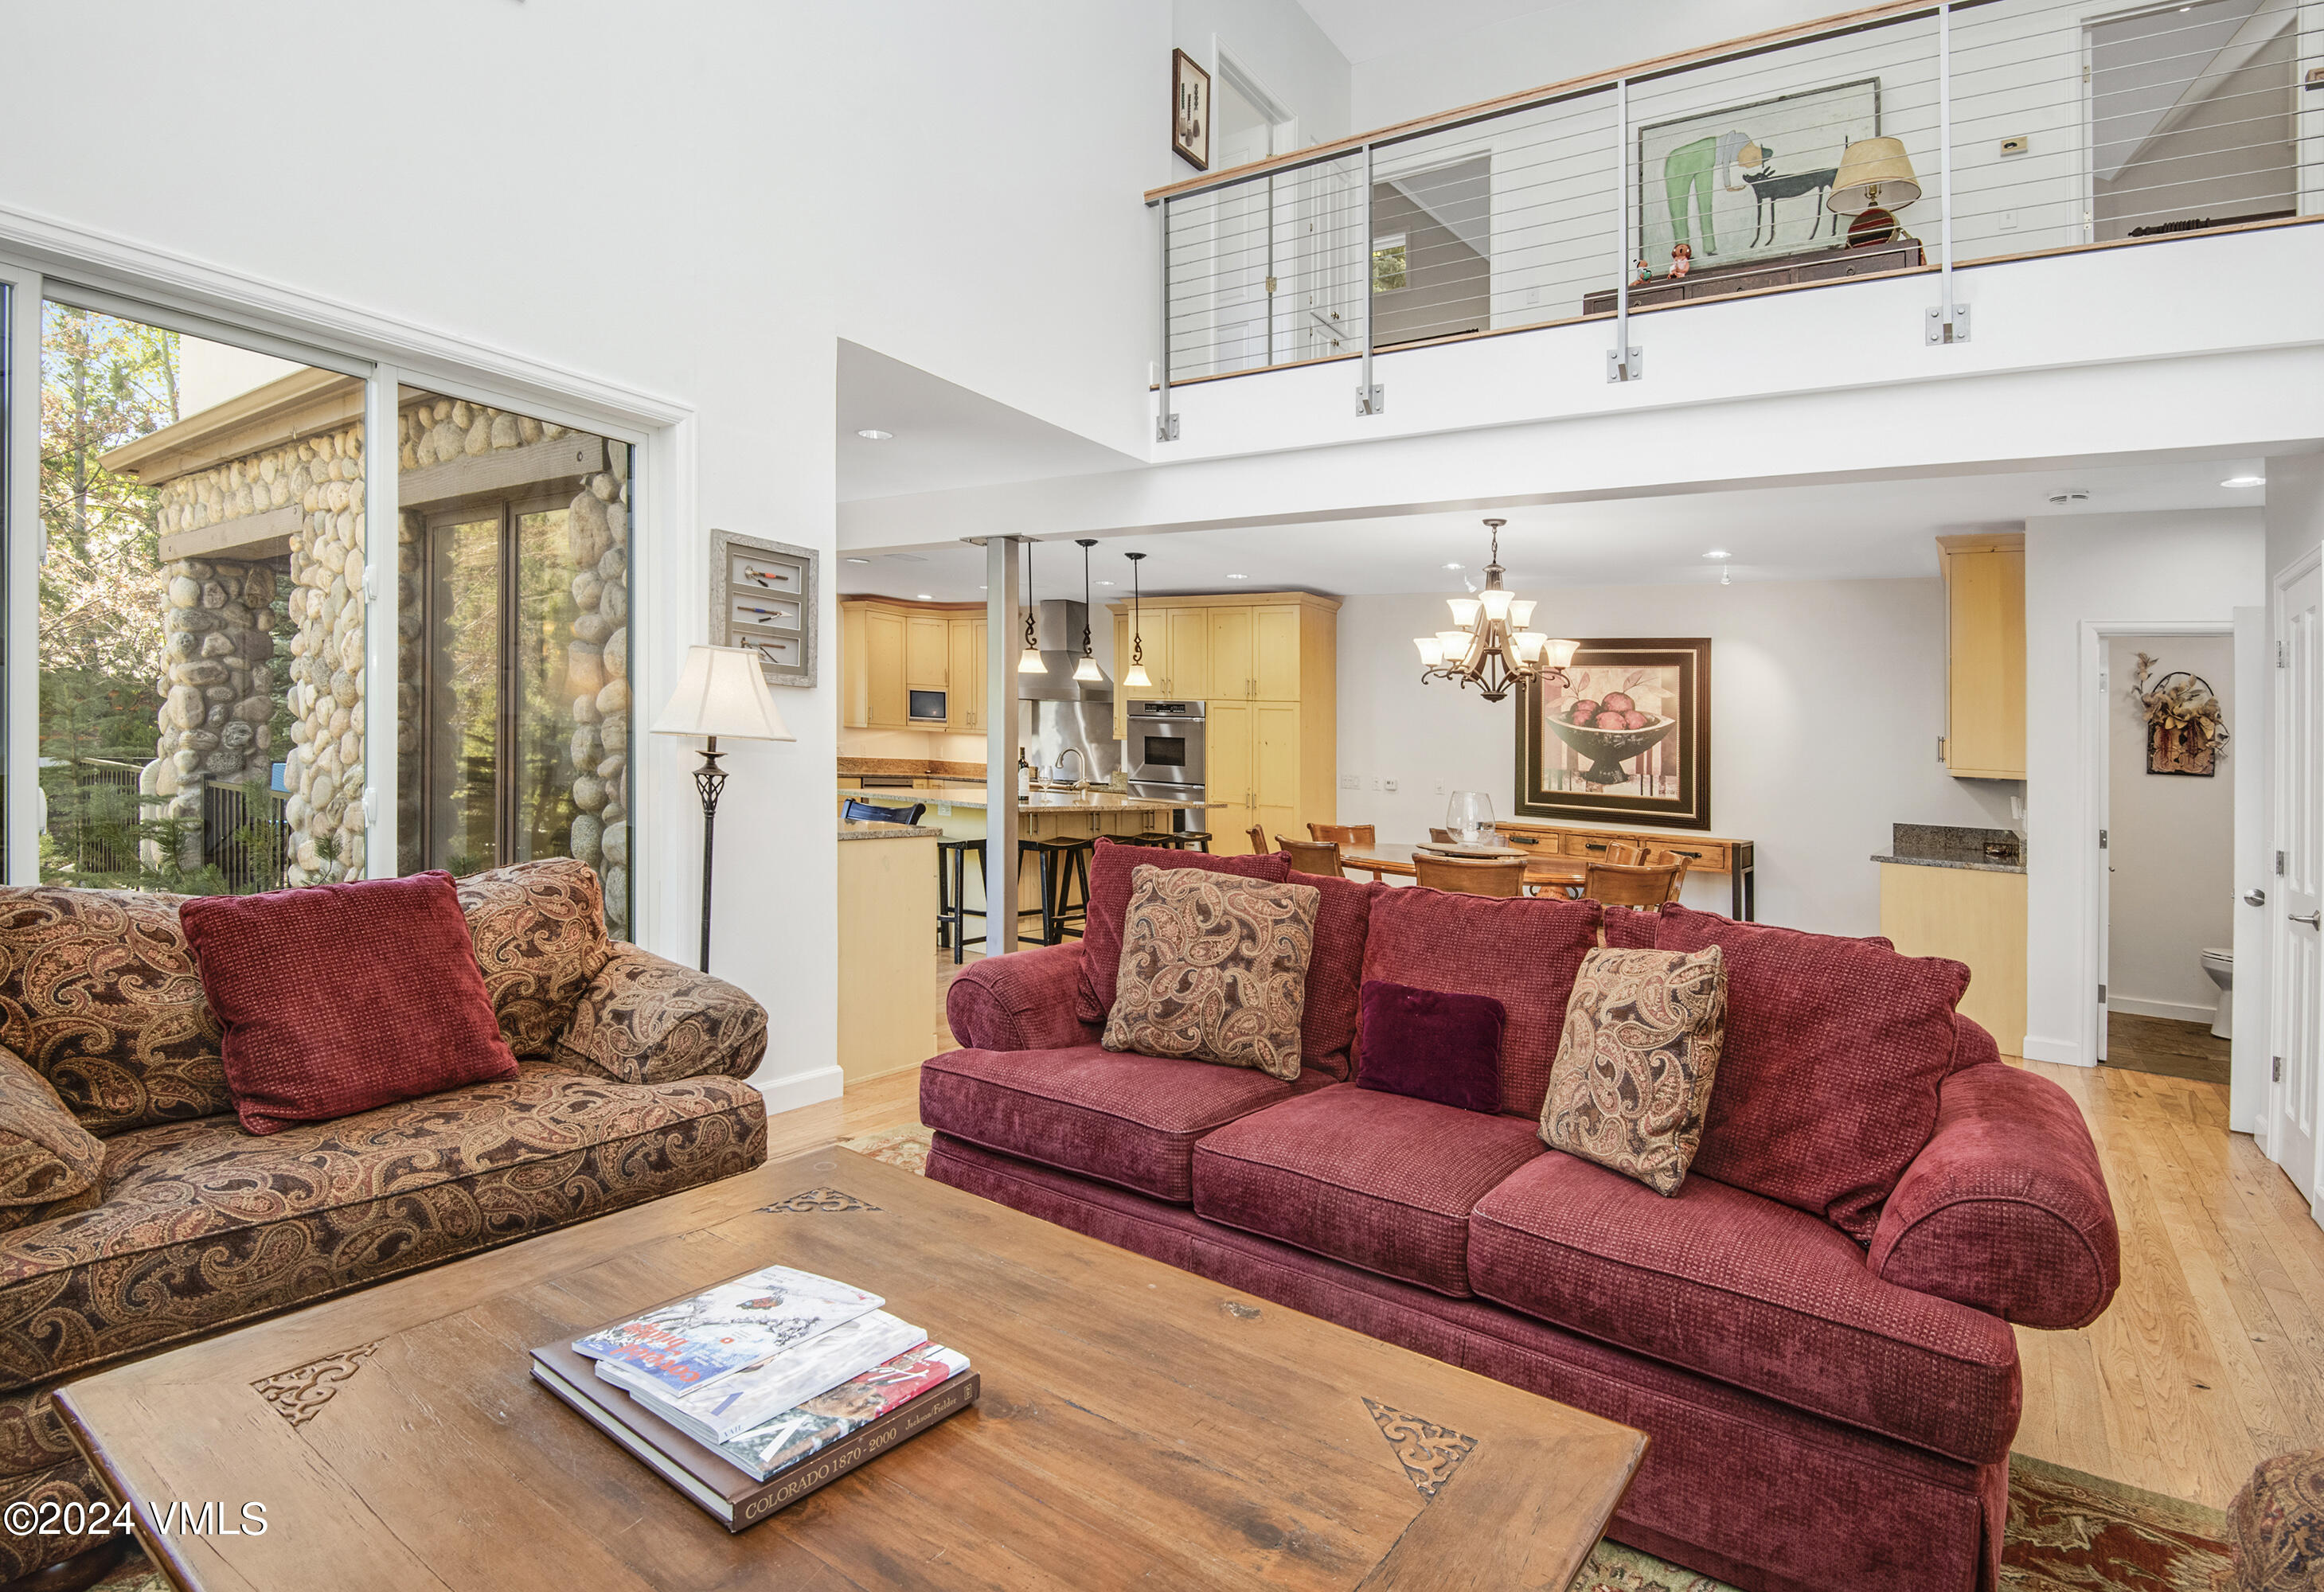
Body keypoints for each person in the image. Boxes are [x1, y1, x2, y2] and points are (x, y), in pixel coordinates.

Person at [1662, 130, 1754, 256]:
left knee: (1706, 205)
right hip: (1679, 161)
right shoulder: (1742, 139)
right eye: (1750, 163)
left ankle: (1709, 247)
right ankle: (1682, 252)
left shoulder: (1743, 151)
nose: (1743, 165)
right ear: (1756, 154)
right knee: (1679, 209)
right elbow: (1726, 156)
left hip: (1706, 163)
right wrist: (1728, 184)